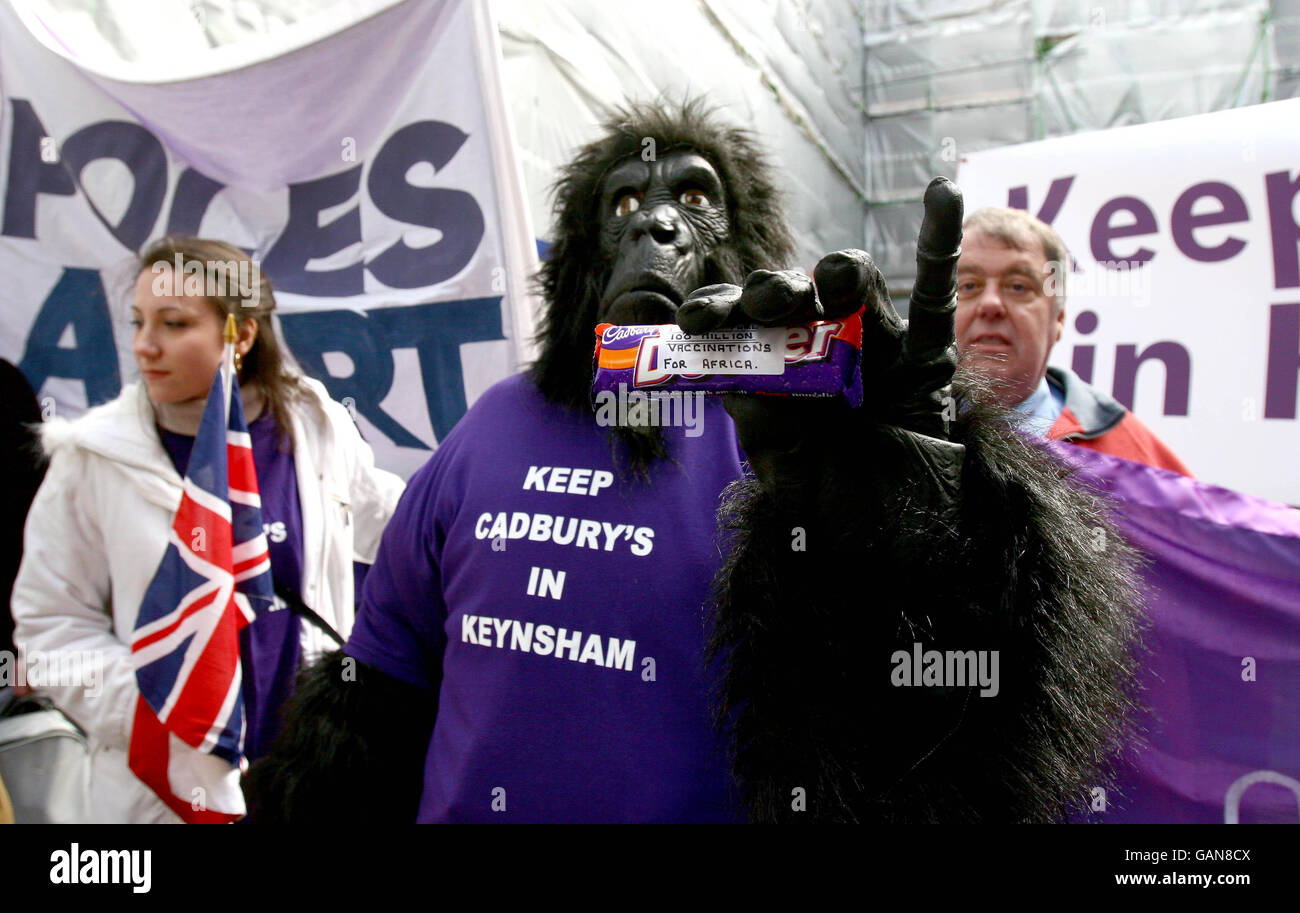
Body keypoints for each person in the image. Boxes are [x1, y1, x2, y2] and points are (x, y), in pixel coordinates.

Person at [11, 237, 404, 823]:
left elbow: (393, 531)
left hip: (309, 779)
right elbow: (50, 629)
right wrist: (164, 714)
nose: (145, 346)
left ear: (240, 335)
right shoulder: (92, 459)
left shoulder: (313, 422)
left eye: (173, 324)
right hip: (168, 792)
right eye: (139, 321)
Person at [955, 206, 1193, 475]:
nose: (990, 304)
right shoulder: (902, 434)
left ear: (1058, 318)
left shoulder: (1137, 464)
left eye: (1018, 286)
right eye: (969, 286)